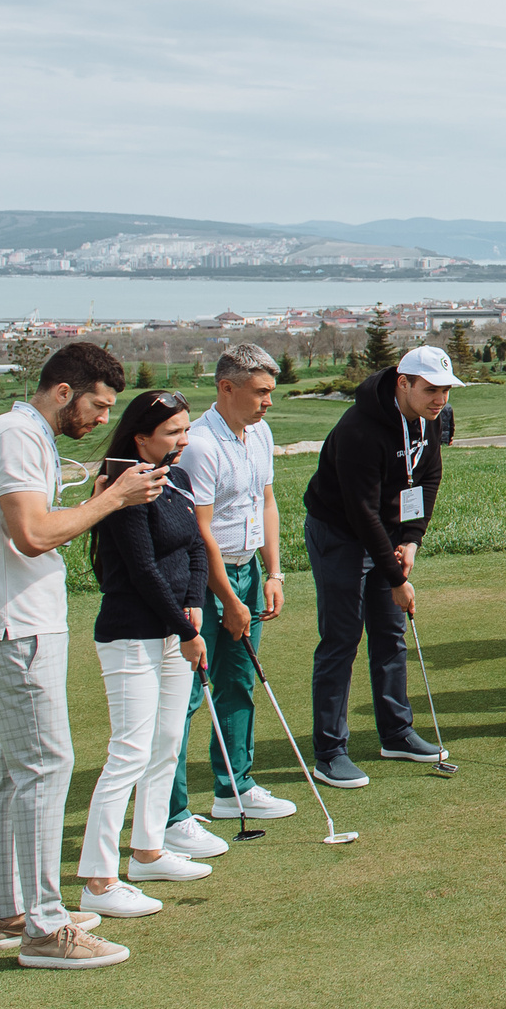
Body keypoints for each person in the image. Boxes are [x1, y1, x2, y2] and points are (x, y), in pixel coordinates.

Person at [0, 341, 150, 968]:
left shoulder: (22, 436)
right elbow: (34, 534)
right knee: (45, 765)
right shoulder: (17, 436)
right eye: (97, 405)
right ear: (64, 391)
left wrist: (95, 495)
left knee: (19, 771)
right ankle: (44, 927)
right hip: (17, 625)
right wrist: (113, 499)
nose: (101, 419)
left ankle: (12, 913)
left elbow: (39, 521)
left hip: (18, 621)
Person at [75, 391, 214, 920]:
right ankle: (98, 880)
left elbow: (196, 546)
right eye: (173, 432)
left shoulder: (173, 477)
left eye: (184, 429)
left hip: (175, 627)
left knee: (166, 740)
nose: (184, 440)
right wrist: (186, 628)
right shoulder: (120, 488)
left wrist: (194, 603)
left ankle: (149, 852)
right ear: (140, 438)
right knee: (128, 751)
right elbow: (140, 569)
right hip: (132, 632)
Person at [304, 344, 457, 788]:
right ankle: (329, 752)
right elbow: (360, 511)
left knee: (390, 633)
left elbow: (429, 477)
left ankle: (396, 732)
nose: (440, 400)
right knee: (342, 638)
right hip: (340, 534)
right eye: (431, 389)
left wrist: (411, 540)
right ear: (403, 383)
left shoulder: (432, 418)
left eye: (446, 390)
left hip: (388, 533)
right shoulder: (359, 429)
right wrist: (396, 580)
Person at [170, 344, 295, 849]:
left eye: (271, 391)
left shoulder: (260, 433)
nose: (269, 402)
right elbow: (200, 531)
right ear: (227, 388)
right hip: (203, 582)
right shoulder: (199, 444)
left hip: (247, 573)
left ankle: (233, 789)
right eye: (261, 392)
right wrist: (228, 597)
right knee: (187, 698)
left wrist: (274, 572)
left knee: (239, 682)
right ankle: (173, 814)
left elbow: (266, 502)